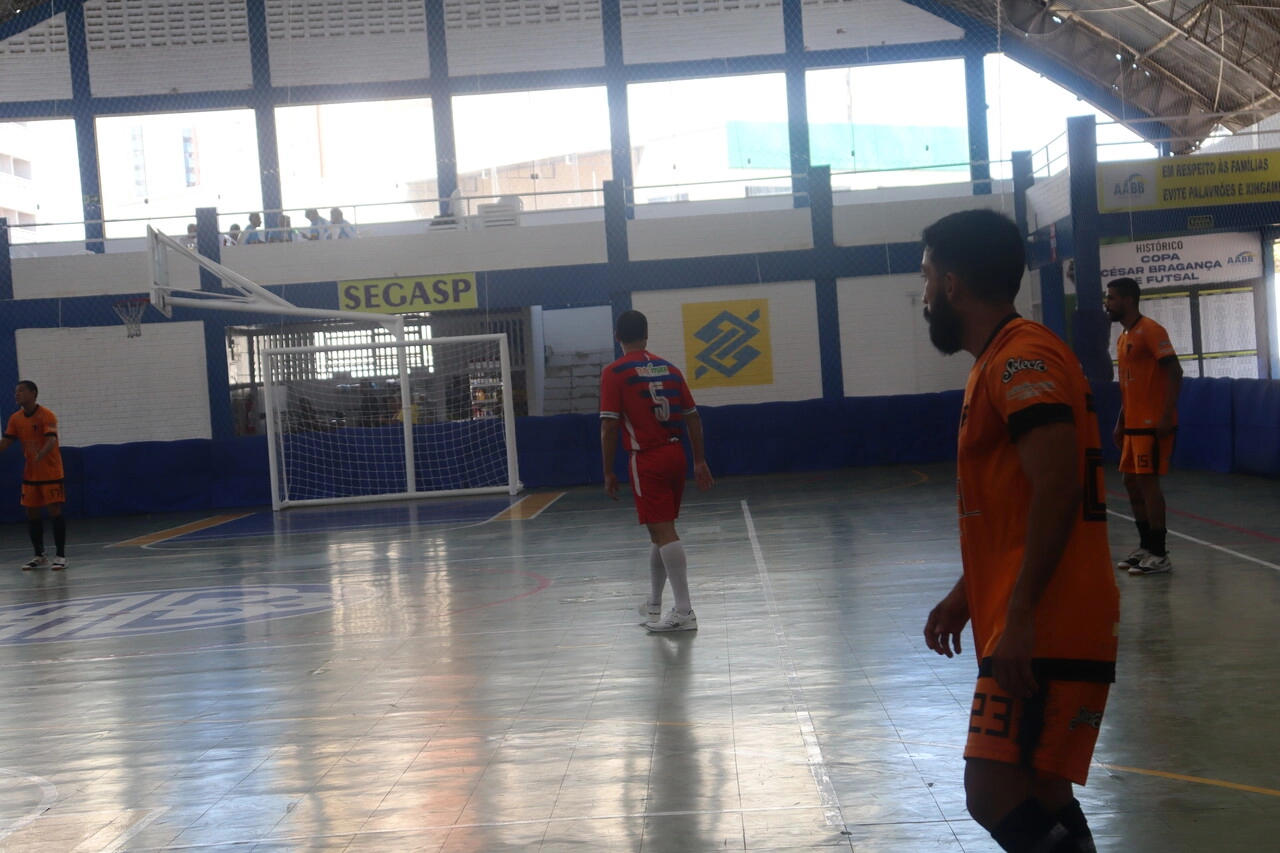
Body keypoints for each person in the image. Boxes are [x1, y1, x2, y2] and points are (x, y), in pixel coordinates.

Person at [920, 209, 1119, 853]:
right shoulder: (1003, 359)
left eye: (925, 279)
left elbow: (1058, 487)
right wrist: (966, 593)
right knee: (1043, 790)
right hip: (1041, 613)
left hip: (1049, 620)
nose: (922, 296)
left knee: (992, 789)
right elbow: (1019, 503)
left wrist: (1021, 613)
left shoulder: (1019, 360)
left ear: (952, 284)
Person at [600, 310, 714, 632]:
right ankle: (654, 602)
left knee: (663, 532)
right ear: (646, 335)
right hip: (676, 453)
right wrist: (700, 460)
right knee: (658, 530)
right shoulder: (671, 368)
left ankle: (684, 611)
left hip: (647, 458)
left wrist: (608, 470)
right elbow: (693, 416)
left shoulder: (615, 372)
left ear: (616, 335)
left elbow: (609, 427)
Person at [1104, 277, 1183, 575]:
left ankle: (1160, 554)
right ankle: (1146, 546)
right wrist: (1120, 421)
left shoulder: (1151, 331)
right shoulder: (1124, 337)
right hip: (1133, 425)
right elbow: (1129, 386)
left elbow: (1175, 372)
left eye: (1111, 298)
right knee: (1130, 482)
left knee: (1147, 483)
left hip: (1152, 424)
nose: (1107, 303)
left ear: (1128, 299)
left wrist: (1166, 415)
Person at [0, 381, 68, 570]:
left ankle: (61, 556)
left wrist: (41, 453)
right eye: (15, 391)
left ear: (33, 393)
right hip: (30, 474)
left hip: (51, 472)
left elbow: (51, 440)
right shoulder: (15, 418)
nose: (16, 394)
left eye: (21, 390)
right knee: (31, 513)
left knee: (54, 512)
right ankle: (39, 555)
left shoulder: (46, 415)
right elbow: (6, 441)